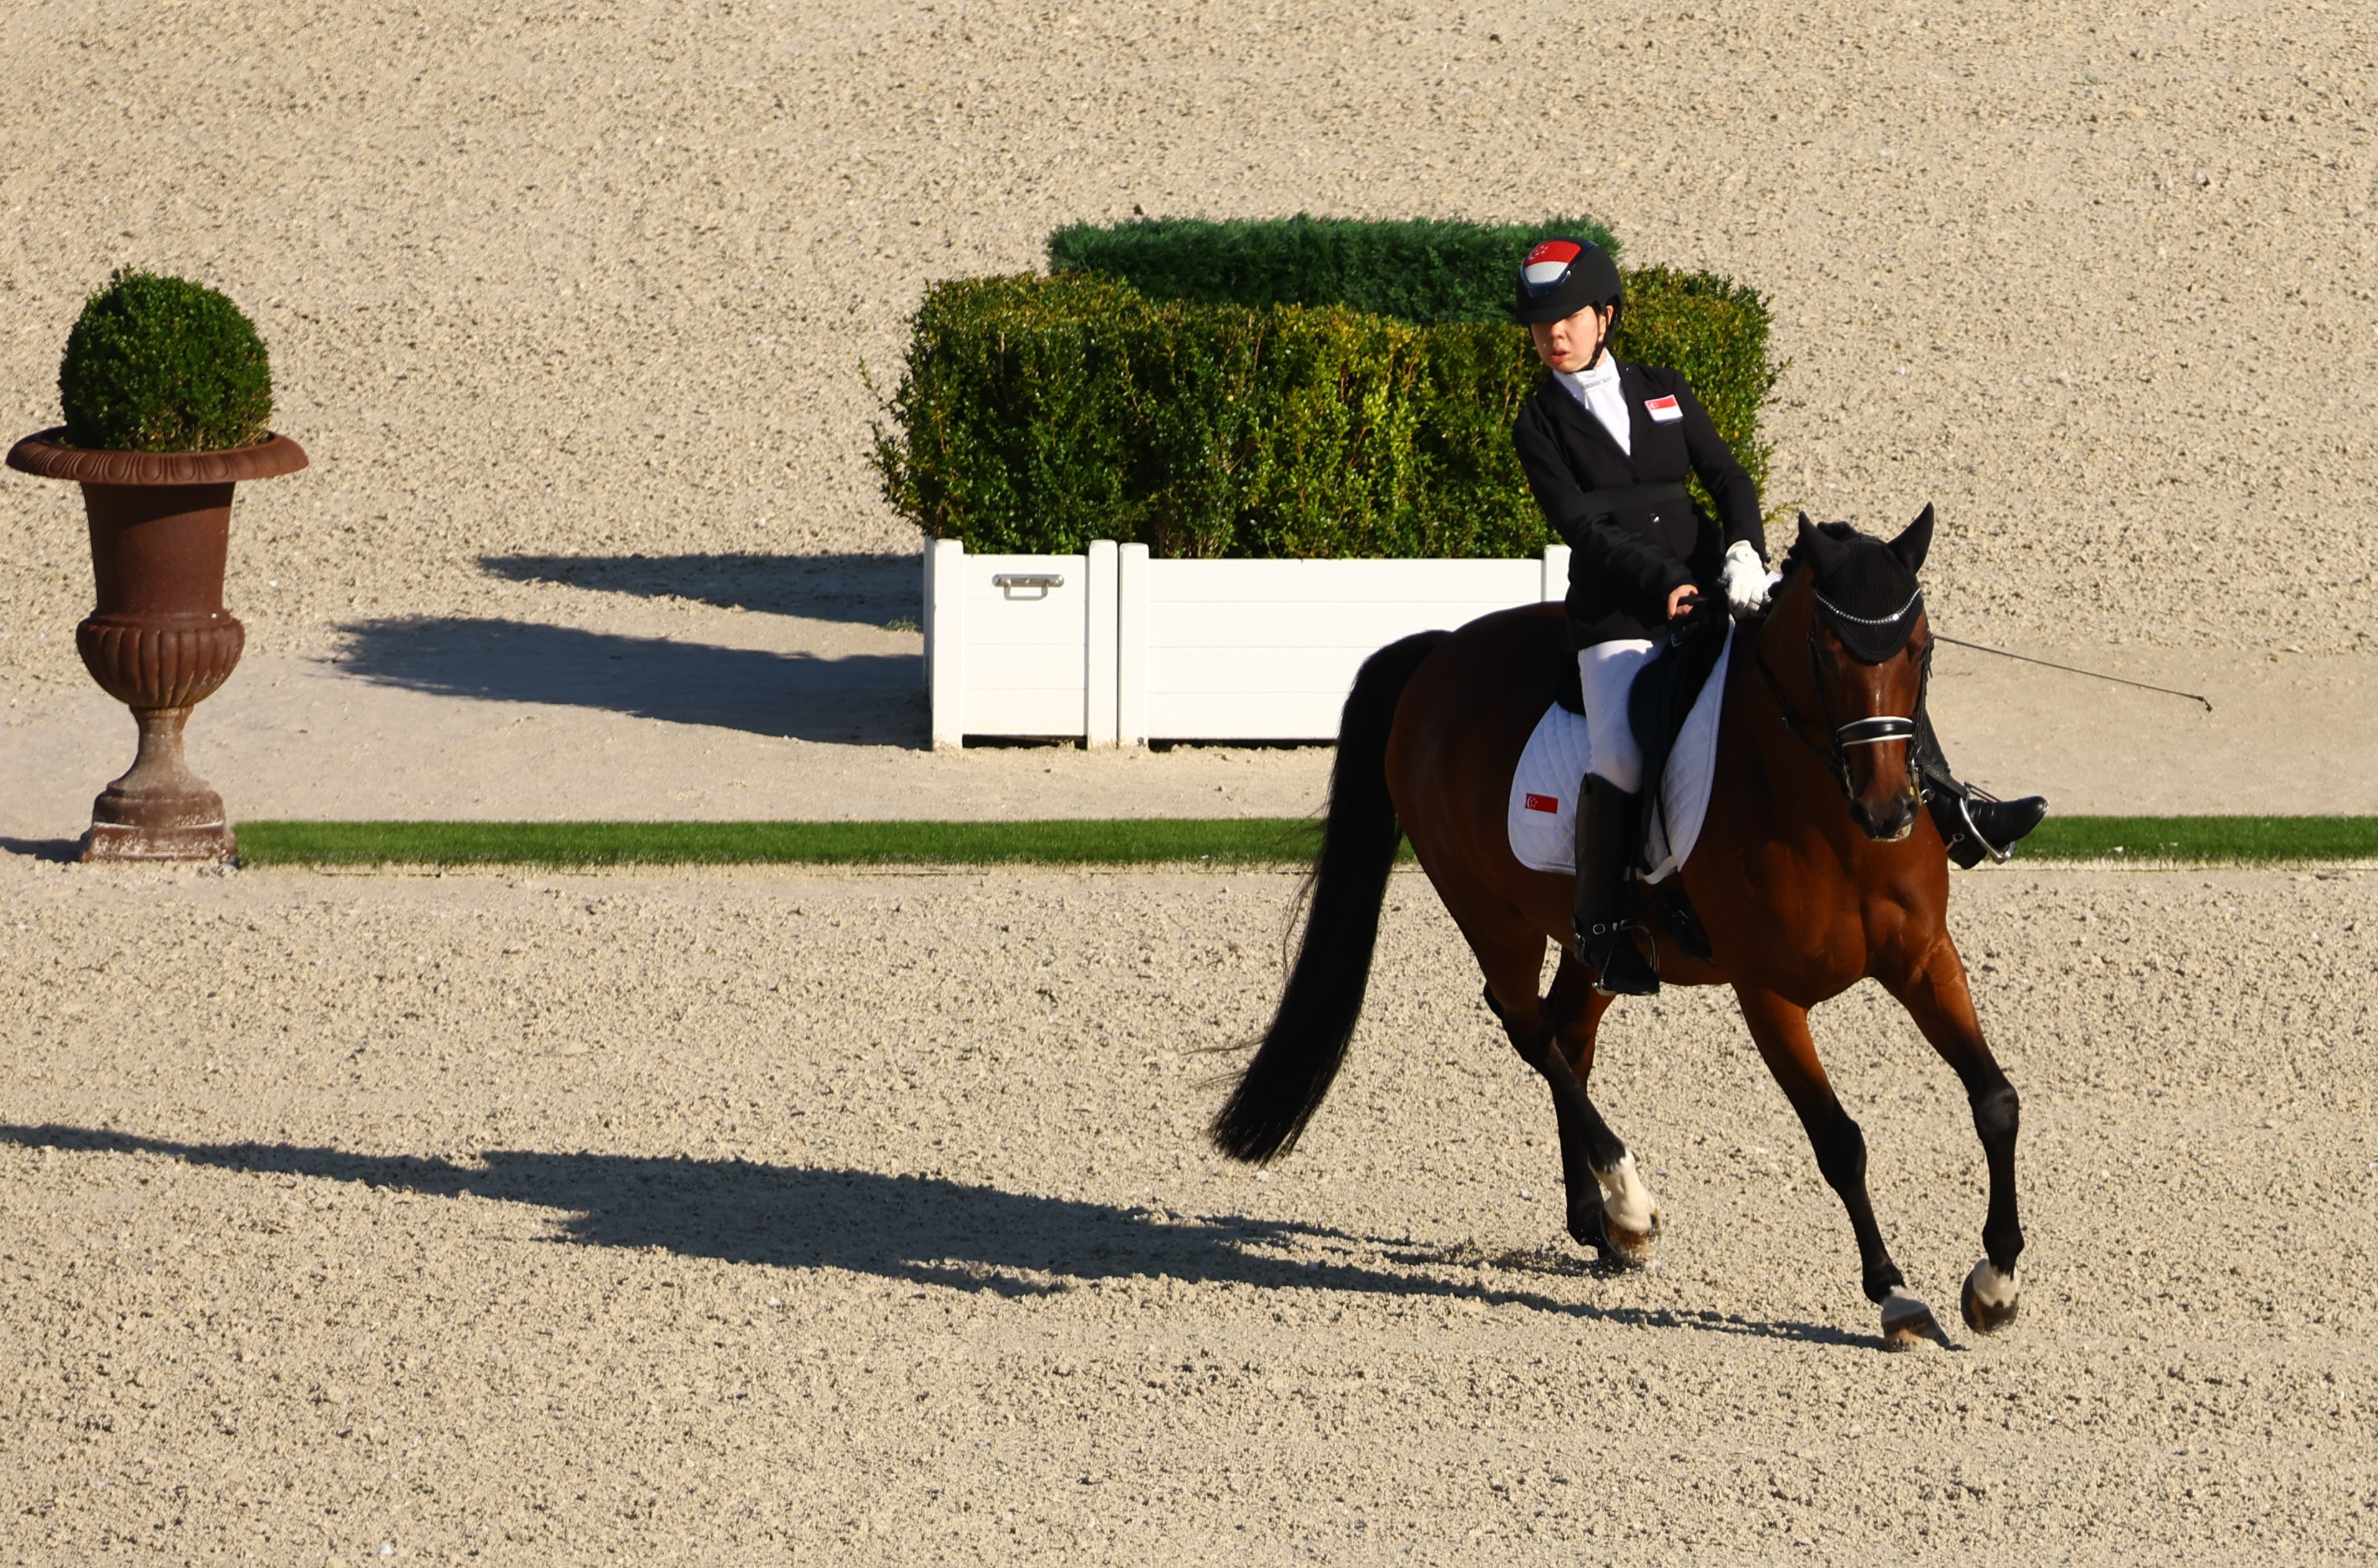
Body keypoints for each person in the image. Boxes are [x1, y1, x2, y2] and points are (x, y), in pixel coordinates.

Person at [1508, 238, 2045, 996]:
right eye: (1539, 324)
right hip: (1619, 617)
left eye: (1566, 318)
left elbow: (1726, 476)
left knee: (1848, 663)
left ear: (1605, 316)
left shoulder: (1662, 388)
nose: (1551, 334)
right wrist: (1663, 580)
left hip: (1715, 585)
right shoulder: (1538, 423)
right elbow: (1583, 528)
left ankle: (1954, 810)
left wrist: (1740, 551)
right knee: (1623, 753)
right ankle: (1601, 923)